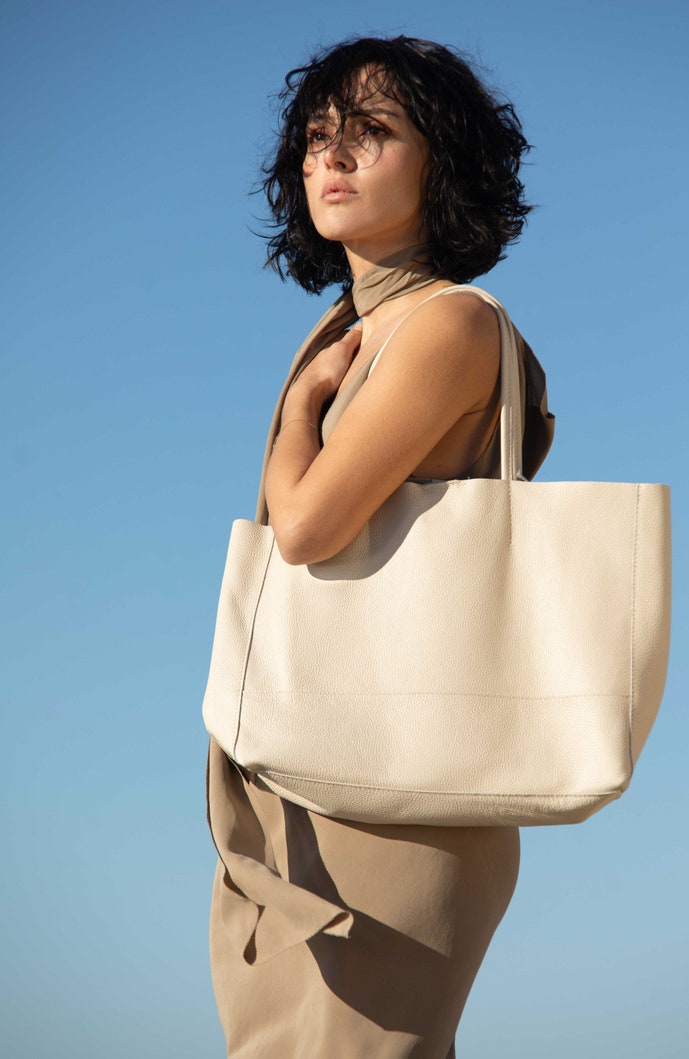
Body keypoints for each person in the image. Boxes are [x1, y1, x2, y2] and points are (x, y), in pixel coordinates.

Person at [206, 35, 553, 1058]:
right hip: (305, 770)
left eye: (370, 132)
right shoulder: (341, 327)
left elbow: (308, 526)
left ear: (440, 161)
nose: (332, 158)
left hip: (400, 788)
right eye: (317, 137)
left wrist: (295, 420)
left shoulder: (449, 325)